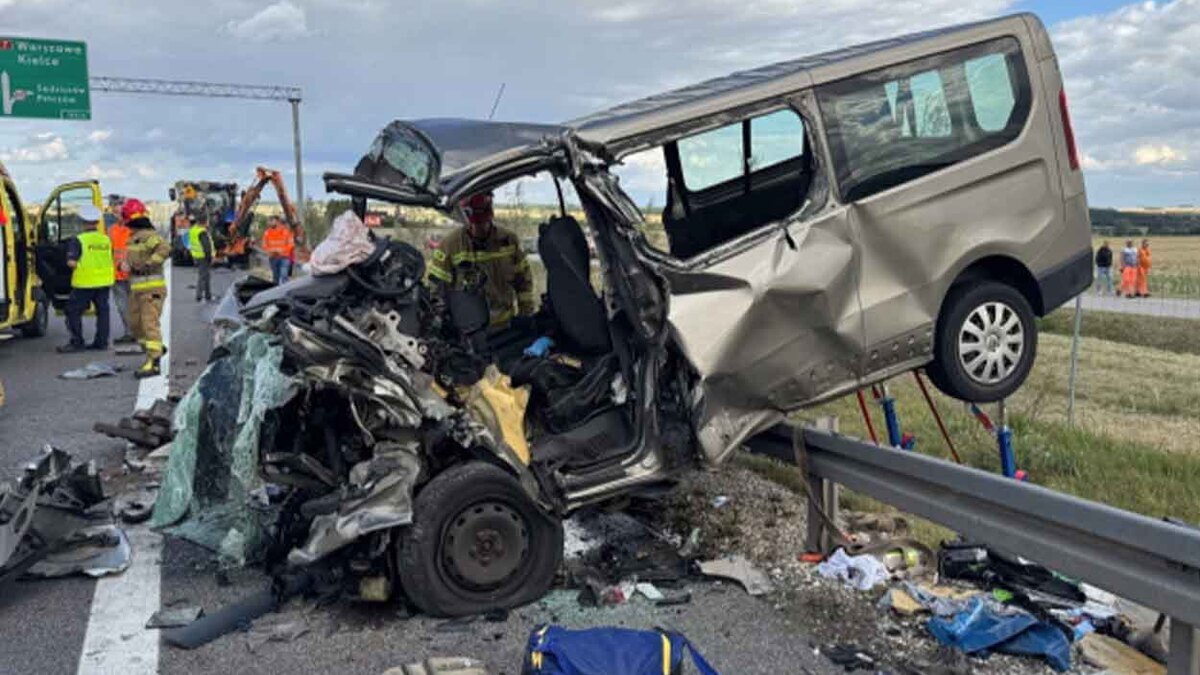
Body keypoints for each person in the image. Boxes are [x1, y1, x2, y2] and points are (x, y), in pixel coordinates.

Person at [426, 191, 535, 328]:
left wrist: (526, 314)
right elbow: (436, 289)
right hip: (468, 329)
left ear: (490, 217)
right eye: (474, 224)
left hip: (505, 326)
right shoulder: (450, 245)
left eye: (482, 223)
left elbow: (524, 282)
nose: (478, 229)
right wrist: (444, 322)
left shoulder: (509, 241)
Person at [121, 198, 171, 378]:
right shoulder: (133, 238)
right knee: (135, 325)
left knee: (149, 325)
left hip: (151, 290)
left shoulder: (148, 236)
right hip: (137, 289)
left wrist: (147, 265)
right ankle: (155, 349)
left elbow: (164, 249)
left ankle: (154, 362)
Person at [56, 205, 114, 353]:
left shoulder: (78, 240)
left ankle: (77, 342)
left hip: (85, 282)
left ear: (82, 222)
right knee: (103, 312)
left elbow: (72, 262)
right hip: (104, 281)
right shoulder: (106, 239)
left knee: (72, 311)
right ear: (97, 222)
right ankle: (101, 342)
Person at [106, 202, 136, 344]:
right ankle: (130, 332)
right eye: (116, 213)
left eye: (120, 213)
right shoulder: (112, 230)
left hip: (133, 274)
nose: (119, 215)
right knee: (122, 307)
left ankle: (136, 332)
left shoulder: (134, 230)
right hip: (118, 275)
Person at [262, 216, 295, 284]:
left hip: (284, 257)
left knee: (284, 276)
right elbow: (264, 245)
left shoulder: (286, 232)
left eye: (272, 221)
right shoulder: (267, 233)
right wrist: (272, 251)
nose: (270, 222)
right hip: (273, 258)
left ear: (277, 222)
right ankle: (276, 289)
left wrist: (281, 251)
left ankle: (285, 289)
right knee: (275, 277)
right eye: (269, 221)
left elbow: (291, 244)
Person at [189, 214, 214, 302]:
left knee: (206, 276)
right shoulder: (202, 232)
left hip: (196, 256)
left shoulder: (193, 230)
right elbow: (207, 247)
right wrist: (209, 257)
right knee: (203, 276)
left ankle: (208, 295)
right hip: (203, 257)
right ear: (205, 222)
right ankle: (199, 295)